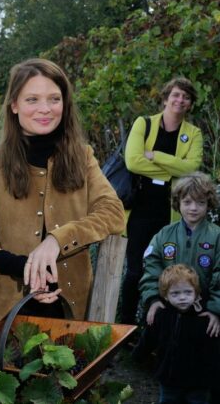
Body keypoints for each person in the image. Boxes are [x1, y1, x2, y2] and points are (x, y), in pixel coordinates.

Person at [0, 58, 125, 338]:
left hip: (68, 310)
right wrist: (24, 266)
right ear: (14, 105)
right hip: (0, 313)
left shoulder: (82, 158)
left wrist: (57, 240)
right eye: (32, 99)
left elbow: (112, 213)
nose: (45, 109)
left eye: (54, 99)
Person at [120, 77, 203, 324]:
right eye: (176, 95)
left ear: (189, 105)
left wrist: (154, 155)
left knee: (169, 273)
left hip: (171, 212)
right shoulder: (143, 124)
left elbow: (192, 167)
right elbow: (133, 161)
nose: (180, 100)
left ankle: (160, 327)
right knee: (135, 271)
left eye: (186, 97)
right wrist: (171, 173)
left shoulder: (193, 133)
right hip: (140, 209)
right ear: (166, 98)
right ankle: (127, 326)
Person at [139, 171, 220, 336]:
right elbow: (151, 268)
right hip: (170, 304)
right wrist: (153, 299)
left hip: (204, 309)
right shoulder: (164, 235)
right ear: (178, 203)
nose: (193, 208)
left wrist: (215, 310)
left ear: (208, 204)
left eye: (200, 202)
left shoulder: (217, 236)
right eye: (187, 202)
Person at [133, 264, 220, 404]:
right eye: (175, 293)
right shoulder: (161, 316)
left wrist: (213, 375)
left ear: (196, 293)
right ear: (165, 296)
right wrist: (139, 354)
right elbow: (149, 338)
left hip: (198, 381)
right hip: (169, 378)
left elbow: (213, 351)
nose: (182, 298)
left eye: (188, 292)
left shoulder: (204, 319)